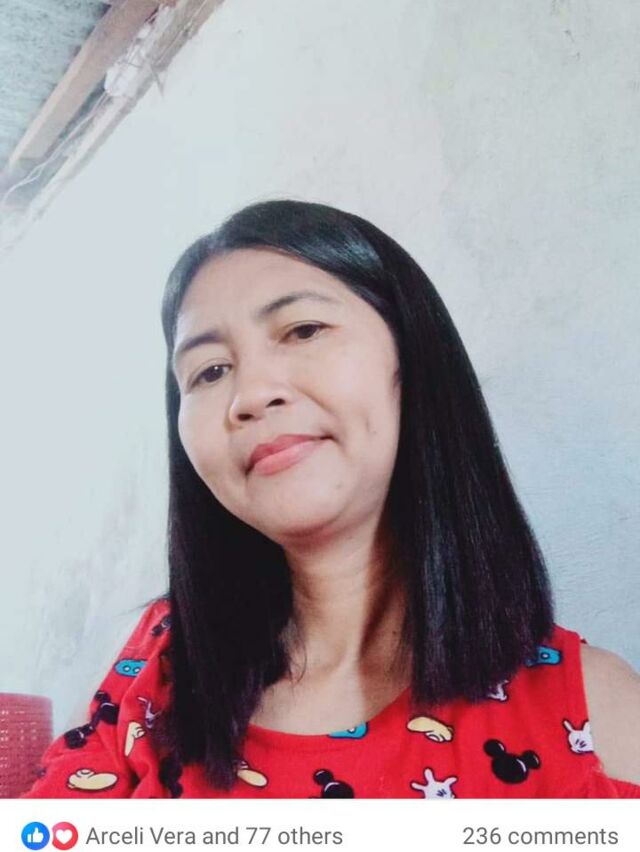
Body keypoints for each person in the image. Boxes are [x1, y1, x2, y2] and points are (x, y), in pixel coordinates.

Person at [23, 200, 640, 798]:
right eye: (209, 371)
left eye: (303, 330)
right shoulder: (158, 669)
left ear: (413, 354)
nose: (251, 394)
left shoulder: (596, 717)